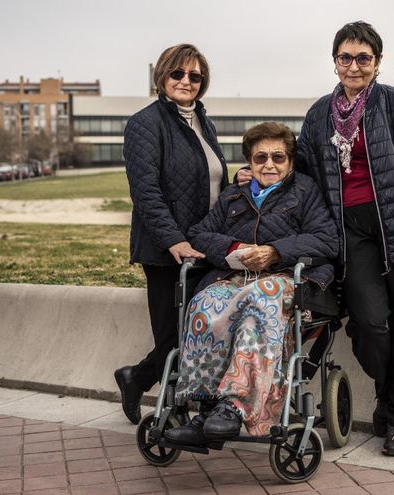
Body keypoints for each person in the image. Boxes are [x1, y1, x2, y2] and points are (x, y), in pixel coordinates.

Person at [296, 21, 394, 456]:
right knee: (368, 322)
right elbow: (300, 173)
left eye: (363, 58)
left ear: (377, 62)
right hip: (350, 233)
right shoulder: (319, 113)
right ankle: (386, 389)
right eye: (346, 57)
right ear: (335, 61)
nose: (354, 65)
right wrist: (255, 173)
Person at [163, 122, 338, 445]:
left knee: (260, 296)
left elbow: (326, 240)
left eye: (278, 157)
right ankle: (205, 406)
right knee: (204, 302)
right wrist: (233, 249)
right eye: (260, 158)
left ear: (290, 161)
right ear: (249, 161)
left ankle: (235, 406)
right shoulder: (235, 194)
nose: (269, 165)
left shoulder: (305, 191)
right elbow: (200, 234)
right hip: (235, 276)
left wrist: (275, 252)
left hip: (286, 278)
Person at [115, 43, 228, 425]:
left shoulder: (203, 122)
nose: (186, 81)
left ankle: (184, 398)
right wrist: (173, 240)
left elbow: (209, 182)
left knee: (200, 332)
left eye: (195, 76)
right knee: (172, 339)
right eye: (178, 73)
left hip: (203, 247)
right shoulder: (145, 124)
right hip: (167, 251)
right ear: (162, 76)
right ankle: (139, 380)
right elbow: (146, 192)